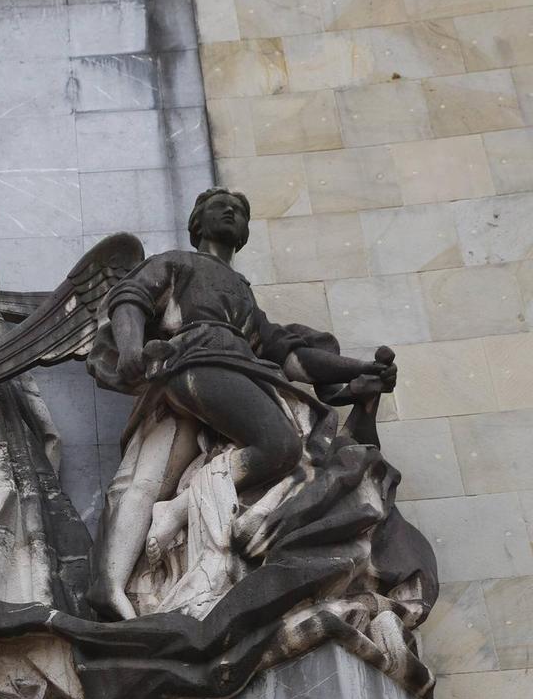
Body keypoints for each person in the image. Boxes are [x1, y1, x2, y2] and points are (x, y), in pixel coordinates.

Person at [88, 187, 396, 620]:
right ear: (197, 223)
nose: (231, 211)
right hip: (200, 362)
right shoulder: (179, 262)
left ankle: (112, 585)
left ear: (246, 232)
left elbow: (290, 356)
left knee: (149, 479)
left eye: (241, 211)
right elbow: (129, 298)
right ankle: (177, 510)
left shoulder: (242, 291)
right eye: (220, 206)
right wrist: (132, 349)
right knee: (281, 445)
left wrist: (358, 369)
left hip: (219, 371)